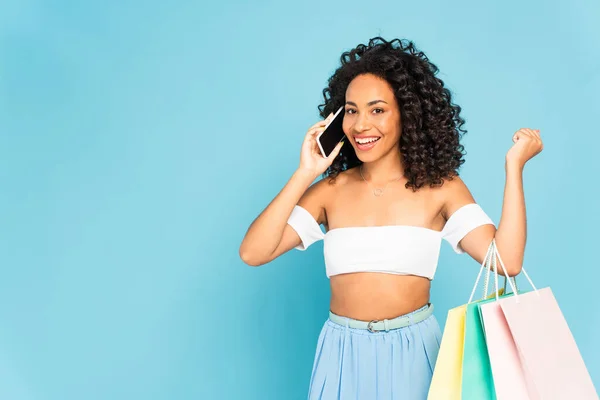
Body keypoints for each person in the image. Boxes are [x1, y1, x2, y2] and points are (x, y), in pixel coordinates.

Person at [239, 37, 543, 400]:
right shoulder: (329, 191)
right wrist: (306, 172)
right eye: (351, 111)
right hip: (341, 353)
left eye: (377, 110)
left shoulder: (440, 189)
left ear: (407, 114)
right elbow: (253, 253)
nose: (360, 125)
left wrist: (514, 167)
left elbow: (506, 260)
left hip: (416, 352)